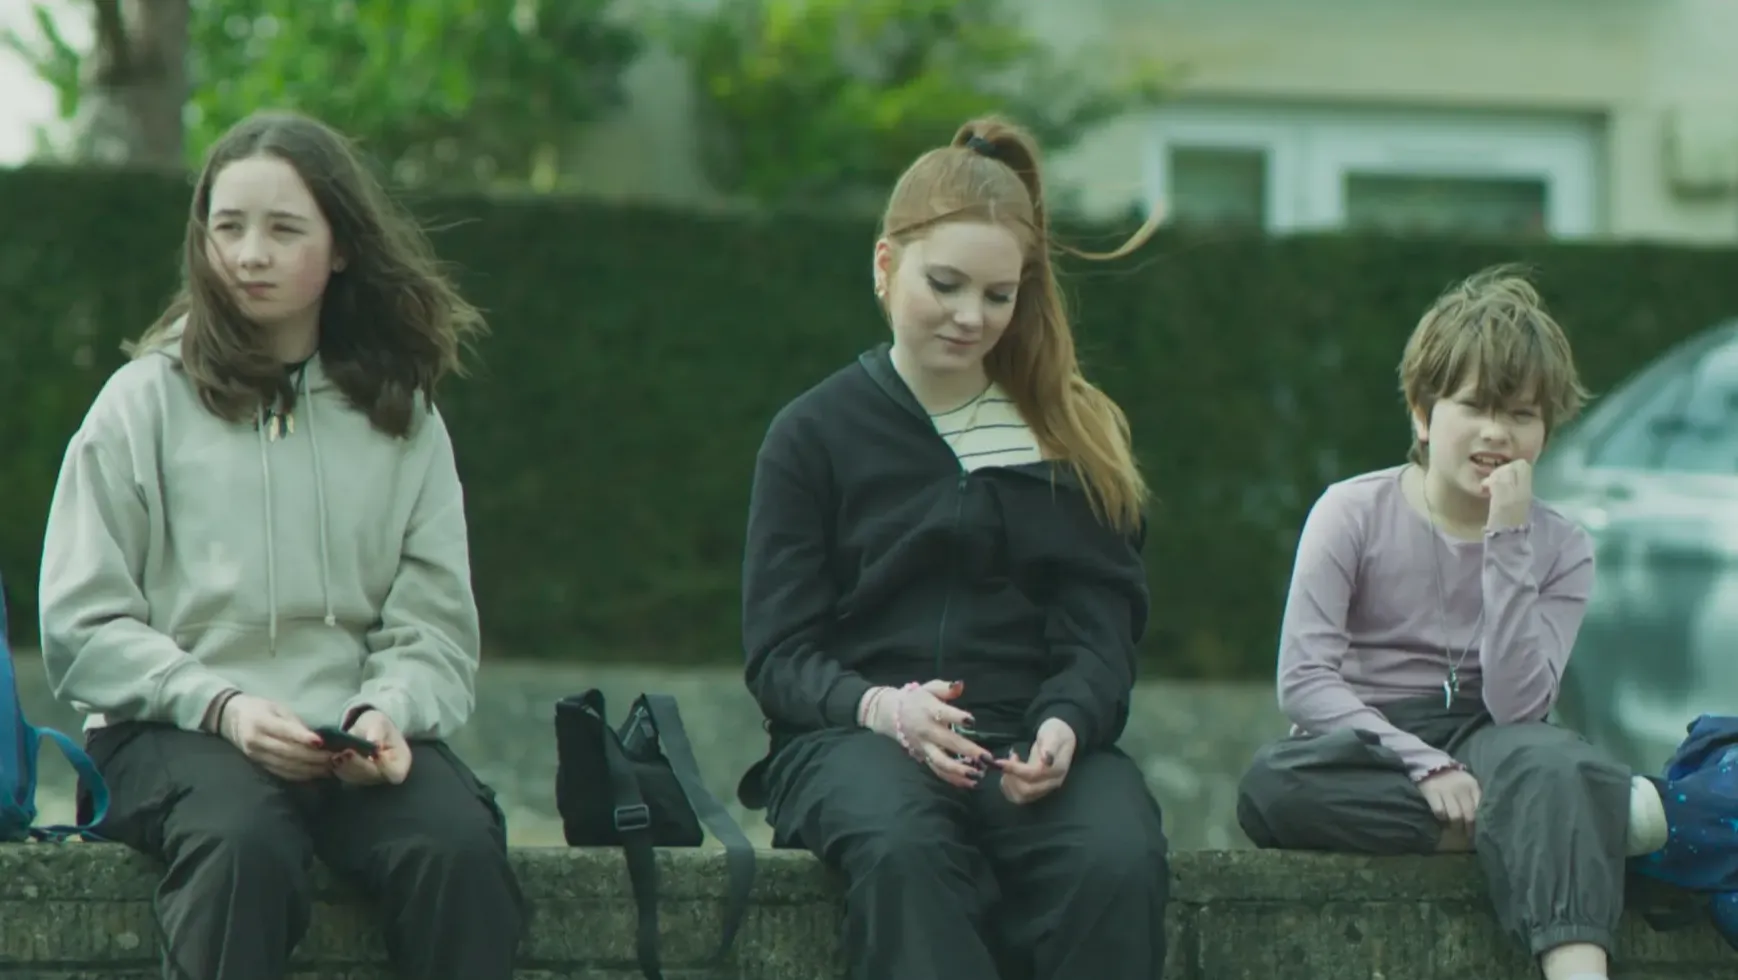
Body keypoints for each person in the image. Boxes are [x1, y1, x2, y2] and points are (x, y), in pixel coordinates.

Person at [37, 110, 523, 980]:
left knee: (456, 847)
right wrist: (221, 705)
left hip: (346, 735)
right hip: (171, 731)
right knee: (243, 844)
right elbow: (82, 625)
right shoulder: (139, 403)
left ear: (340, 247)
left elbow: (436, 627)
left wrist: (388, 714)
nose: (249, 254)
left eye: (282, 229)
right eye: (227, 227)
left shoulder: (402, 416)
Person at [735, 115, 1169, 980]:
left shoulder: (1072, 437)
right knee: (904, 853)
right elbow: (780, 656)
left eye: (999, 295)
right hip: (854, 742)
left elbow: (1100, 636)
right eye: (946, 284)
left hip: (1026, 739)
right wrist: (881, 710)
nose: (973, 317)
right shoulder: (811, 435)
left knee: (1115, 857)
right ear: (885, 267)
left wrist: (1066, 724)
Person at [1235, 266, 1670, 980]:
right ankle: (1562, 822)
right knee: (1272, 785)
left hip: (1496, 735)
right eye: (1474, 406)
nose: (1497, 433)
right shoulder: (1350, 512)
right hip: (1373, 741)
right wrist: (1423, 761)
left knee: (1550, 760)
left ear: (1545, 432)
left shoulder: (1562, 545)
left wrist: (1507, 539)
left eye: (1523, 415)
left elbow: (1520, 704)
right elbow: (1304, 683)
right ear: (1422, 411)